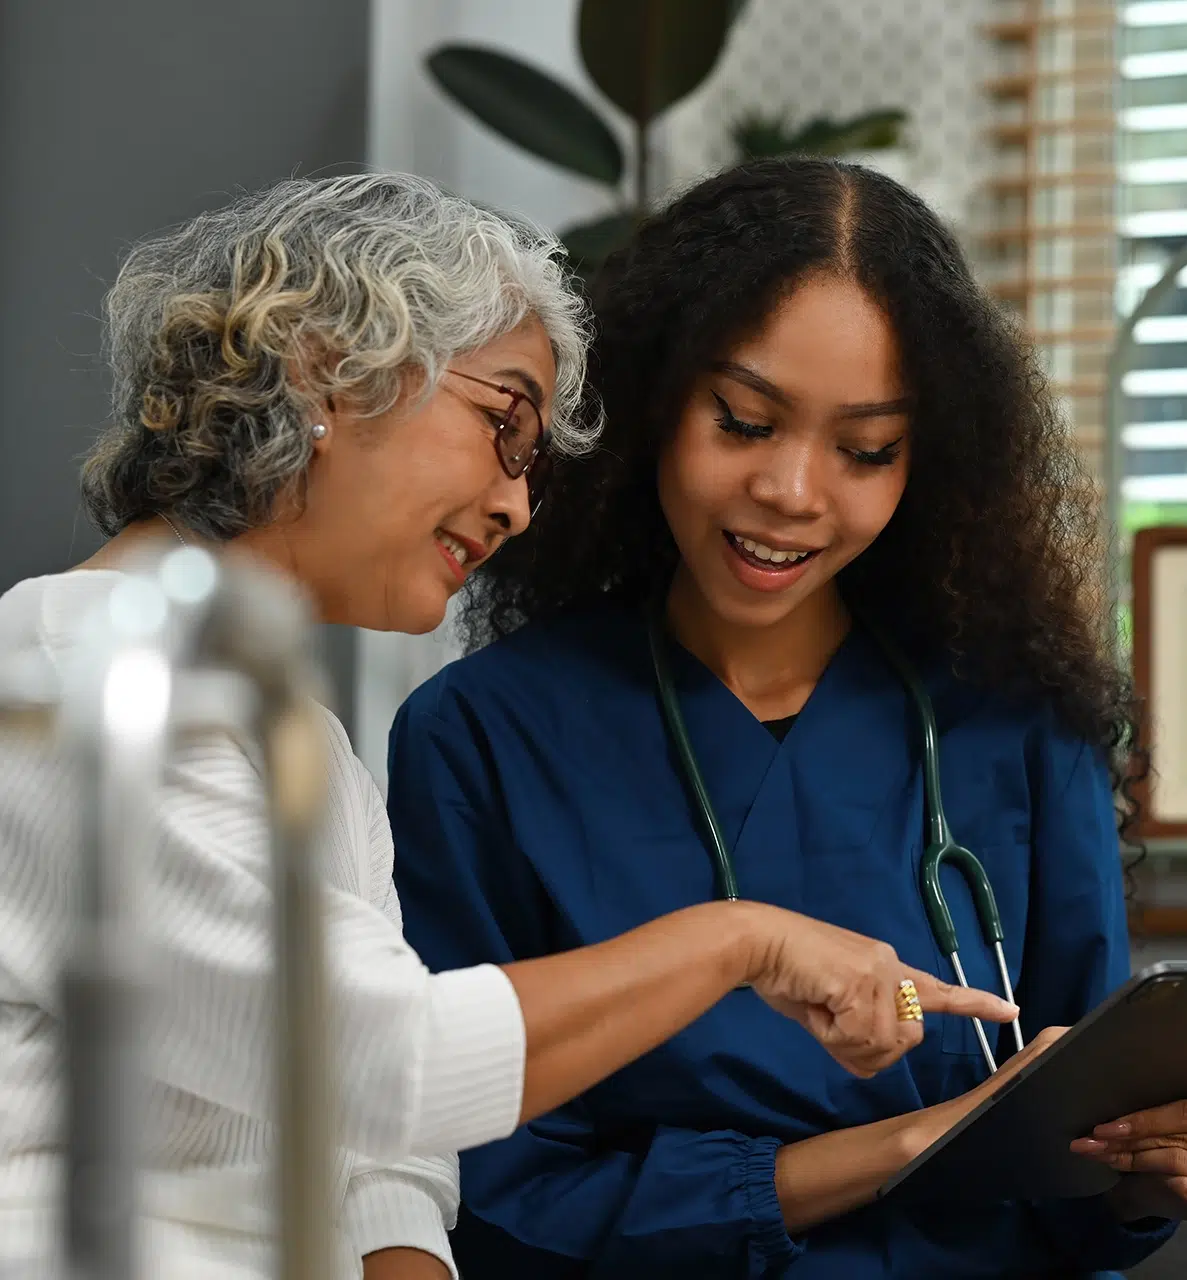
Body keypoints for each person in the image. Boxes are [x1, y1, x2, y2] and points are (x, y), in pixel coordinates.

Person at [0, 172, 1013, 1280]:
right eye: (505, 423)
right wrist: (740, 939)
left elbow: (384, 1149)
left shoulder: (302, 748)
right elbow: (391, 1057)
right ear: (327, 368)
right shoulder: (81, 682)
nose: (520, 504)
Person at [386, 157, 1187, 1279]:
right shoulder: (482, 739)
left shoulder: (1020, 726)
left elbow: (1073, 1151)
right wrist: (894, 1148)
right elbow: (494, 1190)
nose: (794, 491)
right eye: (745, 421)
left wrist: (1157, 1165)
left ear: (927, 462)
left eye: (865, 450)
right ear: (656, 401)